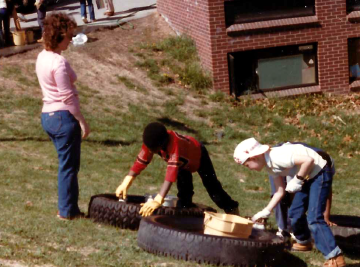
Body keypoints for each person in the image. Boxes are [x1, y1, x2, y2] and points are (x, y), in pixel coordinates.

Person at [233, 138, 345, 267]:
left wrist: (298, 179)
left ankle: (335, 257)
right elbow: (279, 192)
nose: (249, 169)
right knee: (294, 212)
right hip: (307, 175)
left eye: (247, 165)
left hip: (320, 172)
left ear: (255, 157)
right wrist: (266, 211)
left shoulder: (277, 157)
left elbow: (309, 160)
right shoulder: (269, 166)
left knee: (314, 218)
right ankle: (304, 241)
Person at [115, 122, 239, 217]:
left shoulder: (174, 144)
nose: (151, 151)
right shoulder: (153, 142)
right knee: (184, 196)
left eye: (153, 149)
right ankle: (186, 218)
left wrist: (158, 199)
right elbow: (141, 161)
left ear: (161, 143)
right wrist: (126, 182)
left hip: (198, 156)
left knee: (213, 189)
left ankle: (232, 209)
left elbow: (170, 174)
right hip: (182, 165)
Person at [36, 13, 90, 220]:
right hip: (62, 118)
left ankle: (69, 208)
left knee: (66, 164)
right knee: (68, 167)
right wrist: (82, 122)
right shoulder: (58, 62)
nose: (70, 39)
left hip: (48, 117)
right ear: (58, 36)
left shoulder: (42, 57)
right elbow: (68, 98)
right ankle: (67, 212)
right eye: (68, 36)